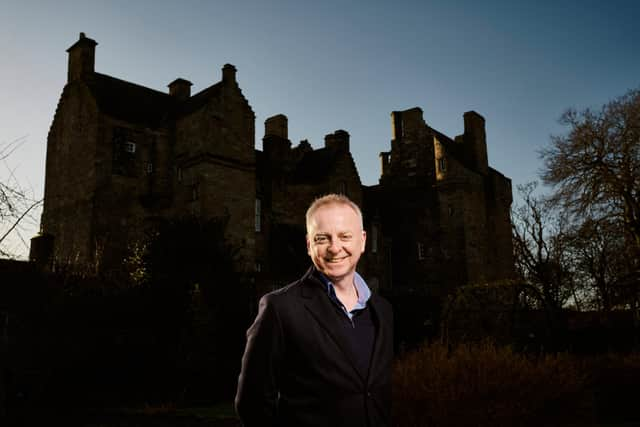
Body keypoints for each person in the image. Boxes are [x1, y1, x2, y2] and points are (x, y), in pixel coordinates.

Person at [235, 194, 394, 427]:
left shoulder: (383, 311)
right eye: (322, 238)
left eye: (344, 236)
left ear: (362, 241)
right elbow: (252, 404)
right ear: (309, 245)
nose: (334, 247)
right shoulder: (280, 308)